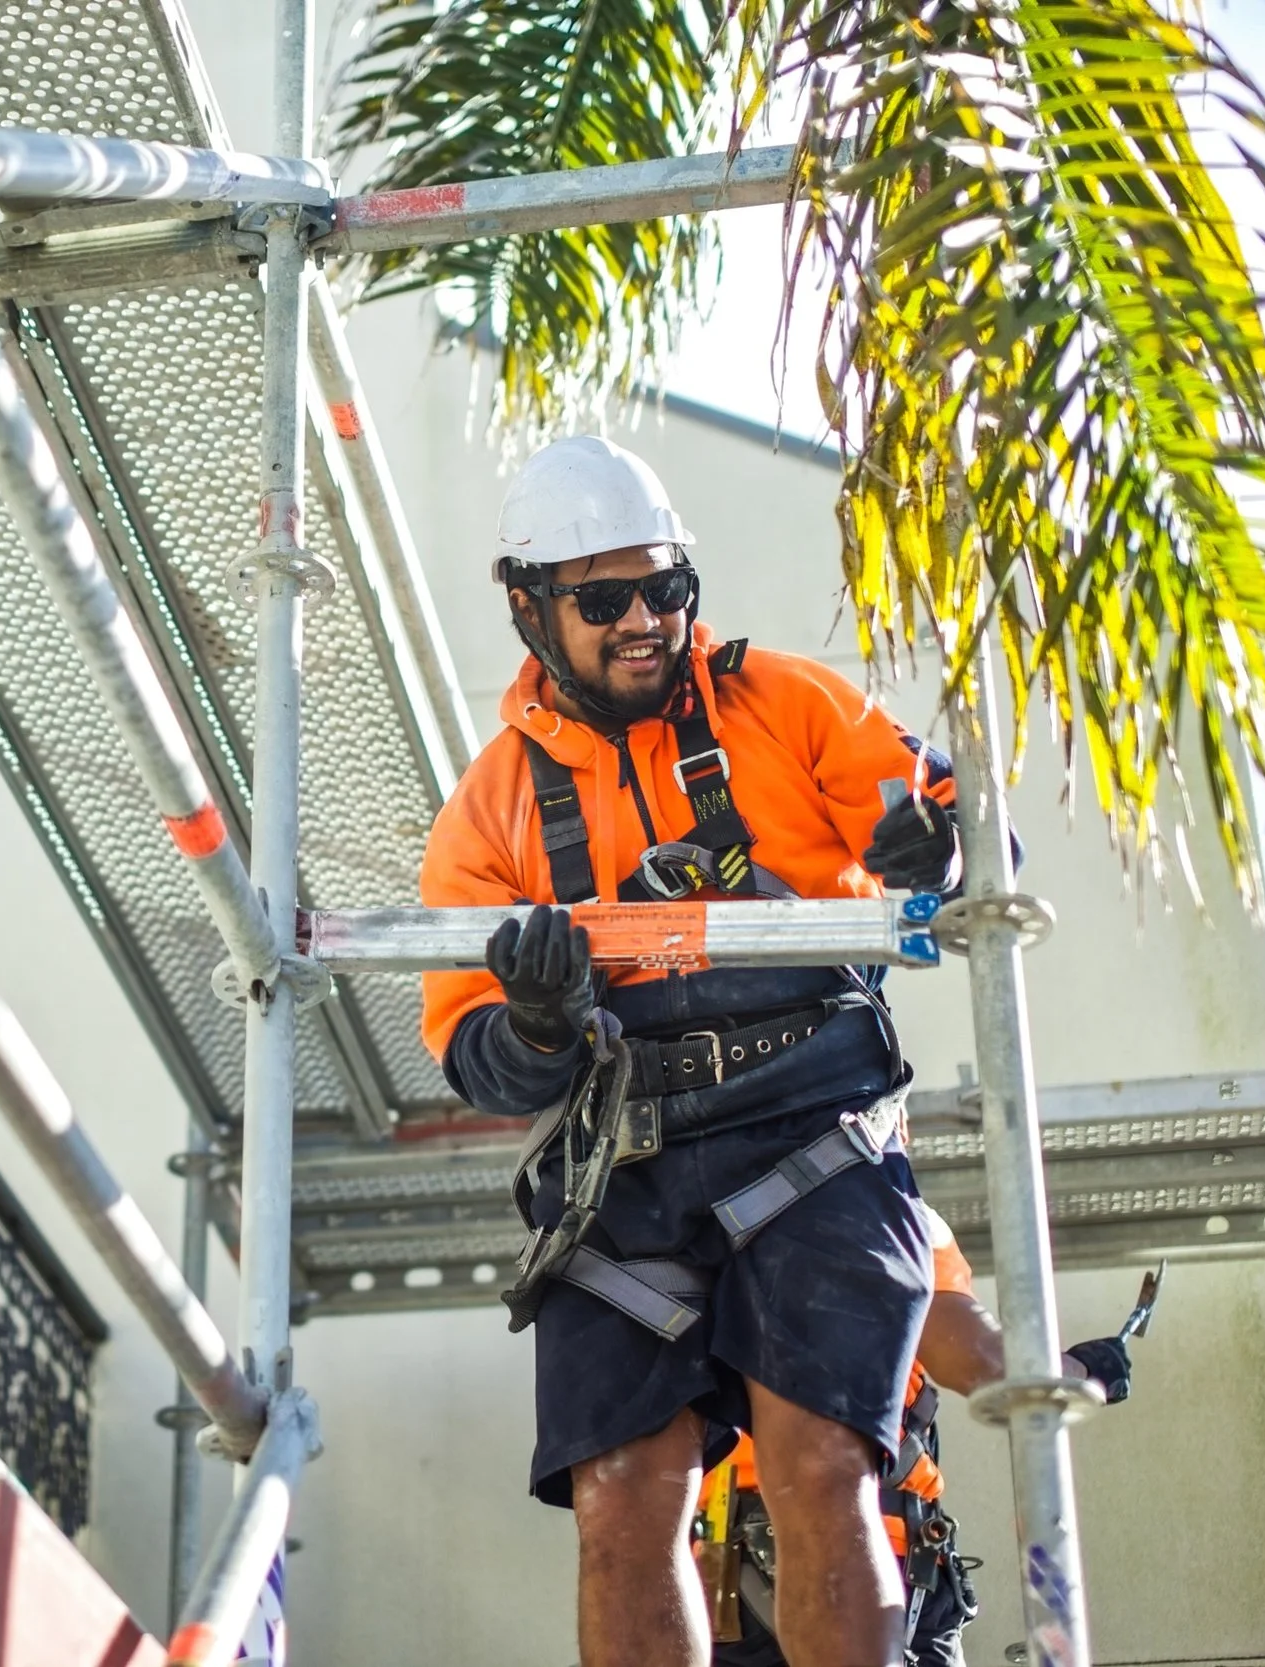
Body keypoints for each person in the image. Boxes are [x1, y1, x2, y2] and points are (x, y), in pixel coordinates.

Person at [419, 435, 971, 1667]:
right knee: (620, 1502)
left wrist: (936, 850)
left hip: (811, 1126)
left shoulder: (784, 703)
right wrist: (540, 1024)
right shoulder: (492, 806)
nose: (642, 621)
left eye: (663, 587)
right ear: (528, 607)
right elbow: (470, 1046)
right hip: (623, 1160)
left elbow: (948, 824)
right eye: (603, 599)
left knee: (821, 1459)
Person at [702, 1207, 1138, 1667]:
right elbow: (982, 1359)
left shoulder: (676, 1218)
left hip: (721, 1579)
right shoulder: (888, 1209)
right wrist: (1085, 1370)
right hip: (874, 1557)